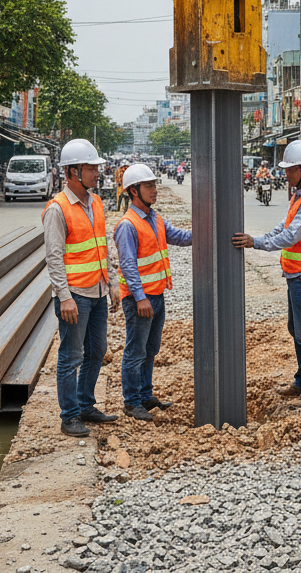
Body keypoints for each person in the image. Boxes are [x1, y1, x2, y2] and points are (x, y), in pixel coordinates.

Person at [232, 140, 301, 408]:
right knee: (296, 329)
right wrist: (260, 237)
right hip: (298, 274)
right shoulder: (299, 196)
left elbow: (290, 236)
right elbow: (283, 227)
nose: (285, 174)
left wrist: (256, 243)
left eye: (290, 170)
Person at [43, 138, 121, 437]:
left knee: (97, 350)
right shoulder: (58, 209)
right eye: (91, 168)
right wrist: (64, 297)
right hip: (75, 295)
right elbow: (53, 257)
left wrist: (112, 282)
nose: (97, 173)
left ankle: (86, 405)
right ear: (73, 171)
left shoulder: (96, 202)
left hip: (98, 291)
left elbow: (103, 246)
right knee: (71, 355)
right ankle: (70, 415)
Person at [113, 163, 192, 421]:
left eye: (154, 185)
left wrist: (206, 231)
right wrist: (140, 298)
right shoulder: (128, 225)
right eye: (149, 186)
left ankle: (145, 396)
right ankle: (132, 402)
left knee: (150, 349)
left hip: (156, 295)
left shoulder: (155, 218)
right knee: (135, 351)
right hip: (140, 301)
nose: (154, 190)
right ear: (134, 191)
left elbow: (179, 236)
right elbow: (128, 265)